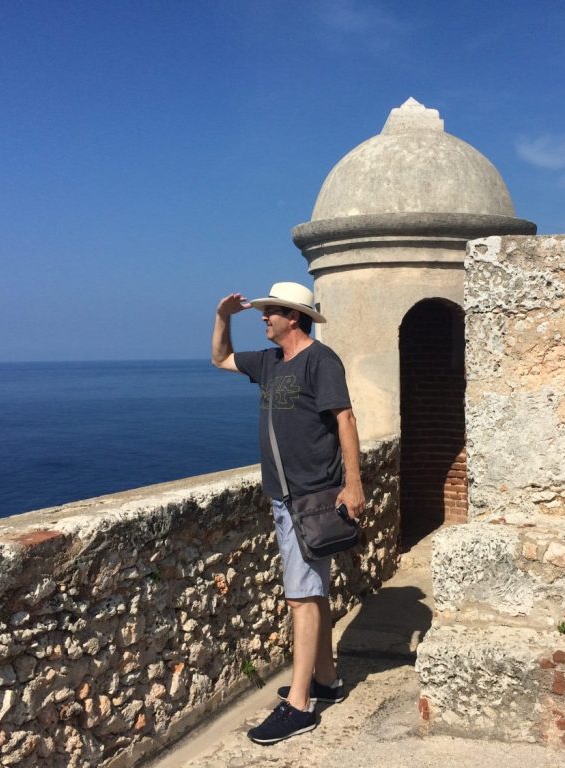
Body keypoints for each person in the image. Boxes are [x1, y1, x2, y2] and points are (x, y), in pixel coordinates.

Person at [211, 281, 366, 745]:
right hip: (284, 497)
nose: (264, 317)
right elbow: (220, 358)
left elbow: (345, 419)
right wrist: (222, 317)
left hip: (312, 496)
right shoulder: (269, 362)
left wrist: (353, 484)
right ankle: (326, 681)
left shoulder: (321, 360)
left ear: (293, 316)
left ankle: (299, 705)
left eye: (271, 311)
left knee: (301, 597)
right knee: (313, 590)